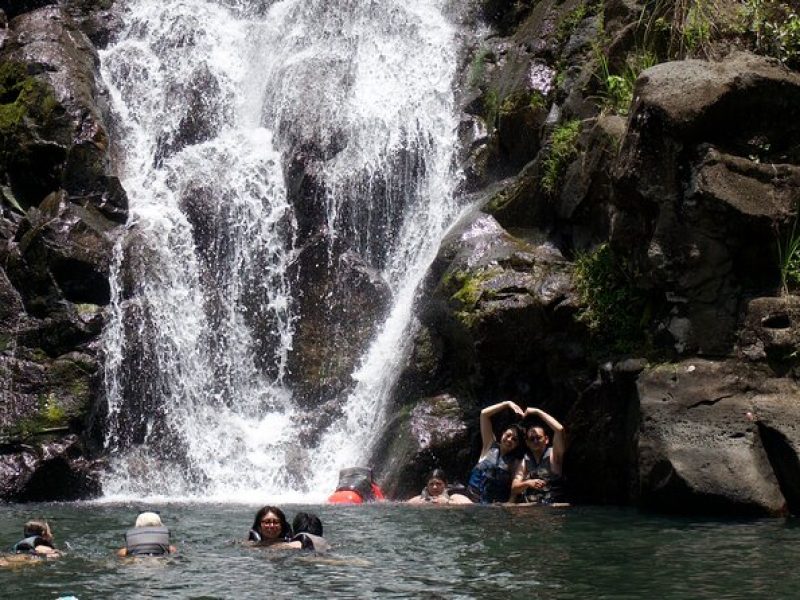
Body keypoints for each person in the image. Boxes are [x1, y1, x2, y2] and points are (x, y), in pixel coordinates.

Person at [466, 401, 525, 504]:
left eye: (514, 439)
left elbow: (514, 490)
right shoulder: (489, 445)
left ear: (517, 445)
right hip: (471, 501)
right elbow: (484, 414)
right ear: (502, 434)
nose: (510, 439)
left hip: (493, 506)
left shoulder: (515, 463)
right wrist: (507, 404)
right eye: (508, 435)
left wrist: (510, 503)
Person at [511, 407, 567, 505]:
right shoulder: (525, 461)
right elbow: (514, 488)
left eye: (538, 437)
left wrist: (537, 412)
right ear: (527, 443)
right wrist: (528, 483)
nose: (535, 441)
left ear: (546, 439)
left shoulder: (554, 456)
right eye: (532, 439)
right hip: (531, 509)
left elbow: (559, 429)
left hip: (552, 508)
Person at [407, 469, 472, 505]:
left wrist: (447, 502)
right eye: (431, 484)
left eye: (438, 484)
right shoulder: (420, 499)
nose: (434, 487)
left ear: (445, 484)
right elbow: (402, 505)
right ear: (427, 485)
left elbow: (471, 505)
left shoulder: (455, 497)